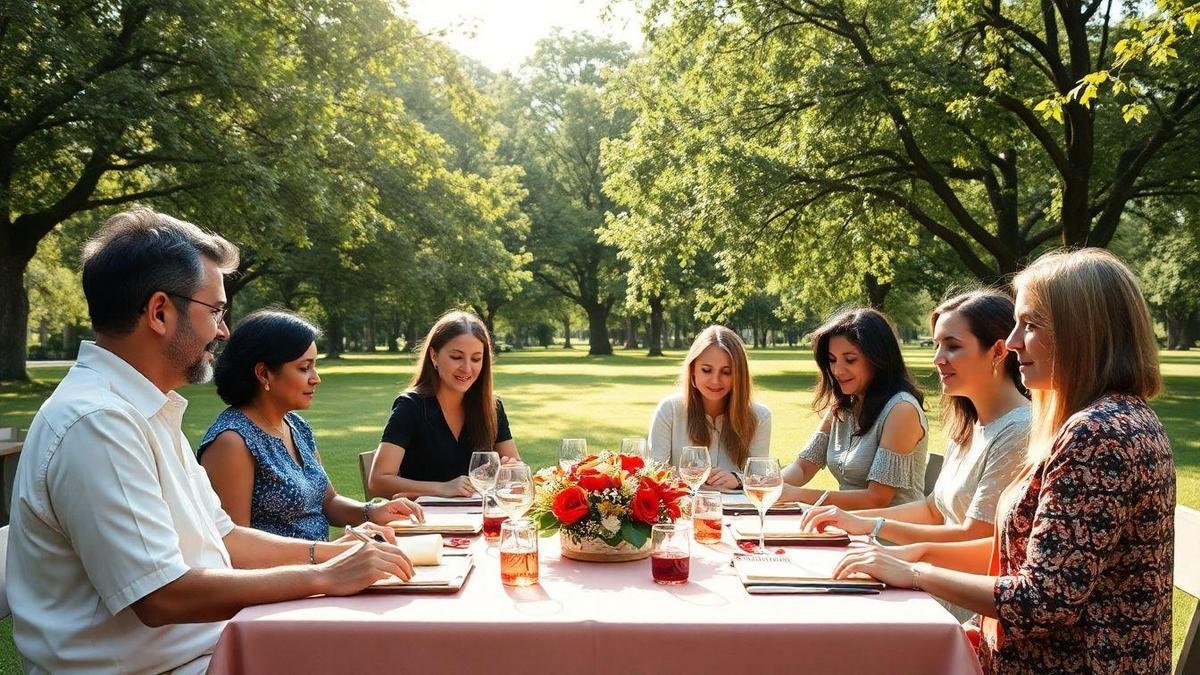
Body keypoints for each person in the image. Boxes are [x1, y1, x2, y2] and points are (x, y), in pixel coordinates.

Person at [6, 207, 413, 674]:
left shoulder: (146, 410)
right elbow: (162, 596)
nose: (223, 330)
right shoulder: (97, 422)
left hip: (209, 652)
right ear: (159, 311)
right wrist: (322, 576)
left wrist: (335, 552)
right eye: (215, 310)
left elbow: (225, 537)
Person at [833, 249, 1175, 673]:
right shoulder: (1112, 419)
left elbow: (1043, 600)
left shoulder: (1099, 434)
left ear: (1081, 332)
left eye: (1030, 325)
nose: (1012, 343)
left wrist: (915, 571)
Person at [801, 290, 1030, 543]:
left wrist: (893, 551)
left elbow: (977, 540)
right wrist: (857, 522)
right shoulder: (968, 426)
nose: (937, 359)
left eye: (952, 346)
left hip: (948, 576)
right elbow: (932, 511)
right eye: (937, 346)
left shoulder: (1019, 429)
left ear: (998, 351)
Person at [198, 310, 424, 541]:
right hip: (290, 574)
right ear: (264, 373)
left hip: (322, 568)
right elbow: (236, 546)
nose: (316, 378)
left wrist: (372, 511)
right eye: (304, 367)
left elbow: (328, 502)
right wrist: (329, 555)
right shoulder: (231, 442)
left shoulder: (296, 425)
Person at [781, 307, 928, 508]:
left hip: (889, 534)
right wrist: (765, 484)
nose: (837, 371)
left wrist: (798, 495)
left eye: (850, 359)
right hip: (847, 526)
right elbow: (803, 468)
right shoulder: (842, 406)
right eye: (832, 360)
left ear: (878, 358)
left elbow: (876, 499)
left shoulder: (901, 409)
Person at [368, 310, 520, 498]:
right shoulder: (411, 406)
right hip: (424, 523)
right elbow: (378, 482)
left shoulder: (492, 407)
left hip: (479, 521)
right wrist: (442, 488)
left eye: (476, 359)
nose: (467, 368)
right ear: (434, 356)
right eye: (456, 357)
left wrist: (512, 472)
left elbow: (517, 476)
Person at [647, 325, 771, 490]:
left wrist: (738, 479)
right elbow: (655, 475)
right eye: (706, 370)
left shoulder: (760, 417)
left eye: (726, 372)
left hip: (737, 513)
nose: (715, 381)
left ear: (739, 376)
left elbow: (761, 478)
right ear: (693, 371)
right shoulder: (669, 410)